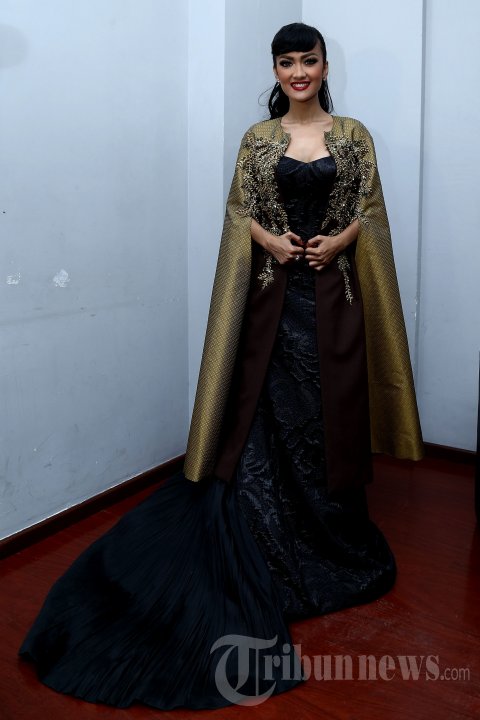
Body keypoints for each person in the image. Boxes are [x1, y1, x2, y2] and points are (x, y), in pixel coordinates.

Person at [19, 22, 423, 710]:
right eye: (287, 62)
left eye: (309, 60)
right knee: (261, 411)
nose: (298, 72)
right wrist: (269, 238)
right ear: (276, 69)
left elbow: (369, 209)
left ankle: (326, 534)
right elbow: (239, 213)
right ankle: (263, 533)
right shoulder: (258, 139)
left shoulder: (354, 135)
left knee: (328, 412)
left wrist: (339, 243)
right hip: (270, 301)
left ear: (326, 66)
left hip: (334, 299)